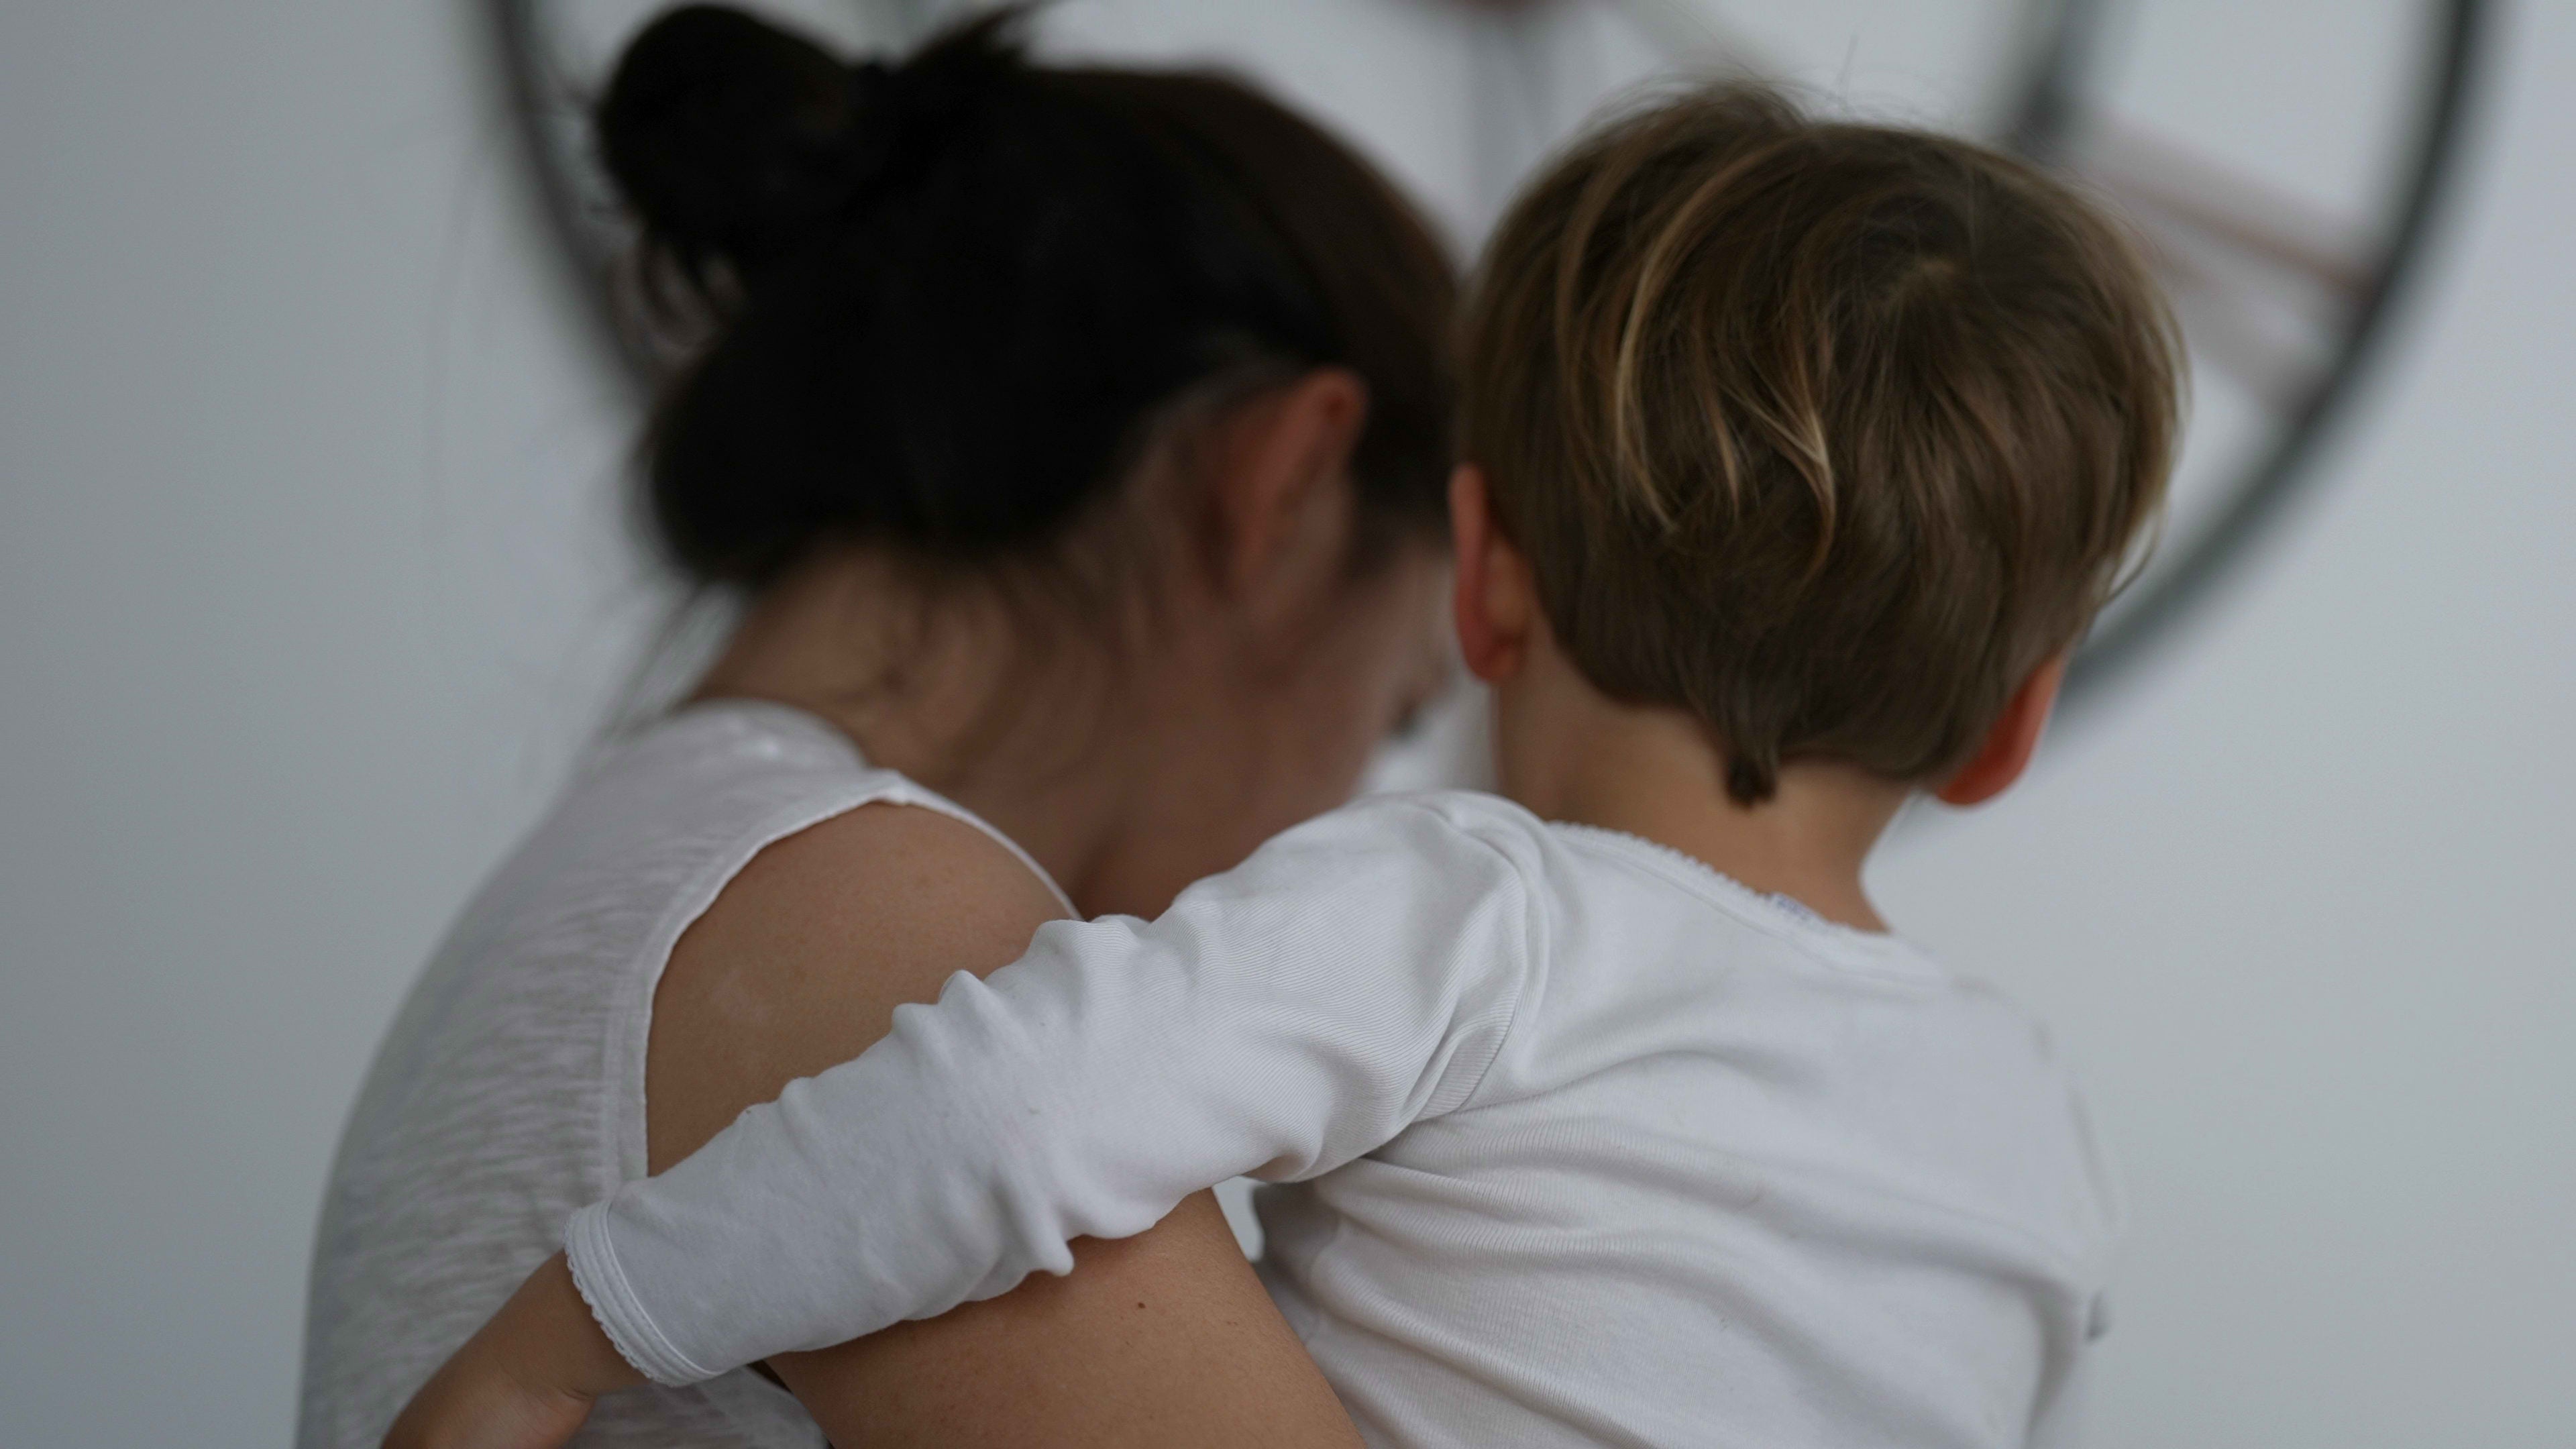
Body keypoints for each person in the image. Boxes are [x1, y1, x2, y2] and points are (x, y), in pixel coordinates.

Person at [396, 76, 2184, 1449]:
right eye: (1387, 704)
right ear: (2011, 725)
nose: (1355, 784)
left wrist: (575, 1327)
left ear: (1493, 582)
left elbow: (1001, 1114)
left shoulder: (1479, 918)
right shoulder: (2036, 1132)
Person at [297, 7, 1464, 1446]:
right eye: (1400, 706)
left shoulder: (659, 887)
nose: (1354, 797)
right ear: (1283, 480)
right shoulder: (875, 946)